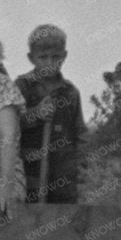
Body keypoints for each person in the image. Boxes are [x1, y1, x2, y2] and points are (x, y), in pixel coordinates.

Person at [17, 24, 86, 204]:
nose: (49, 62)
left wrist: (82, 167)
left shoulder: (70, 92)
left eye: (55, 57)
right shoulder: (22, 86)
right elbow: (9, 125)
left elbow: (80, 134)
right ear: (31, 58)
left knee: (63, 222)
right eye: (43, 57)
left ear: (64, 56)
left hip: (63, 176)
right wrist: (35, 114)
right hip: (29, 172)